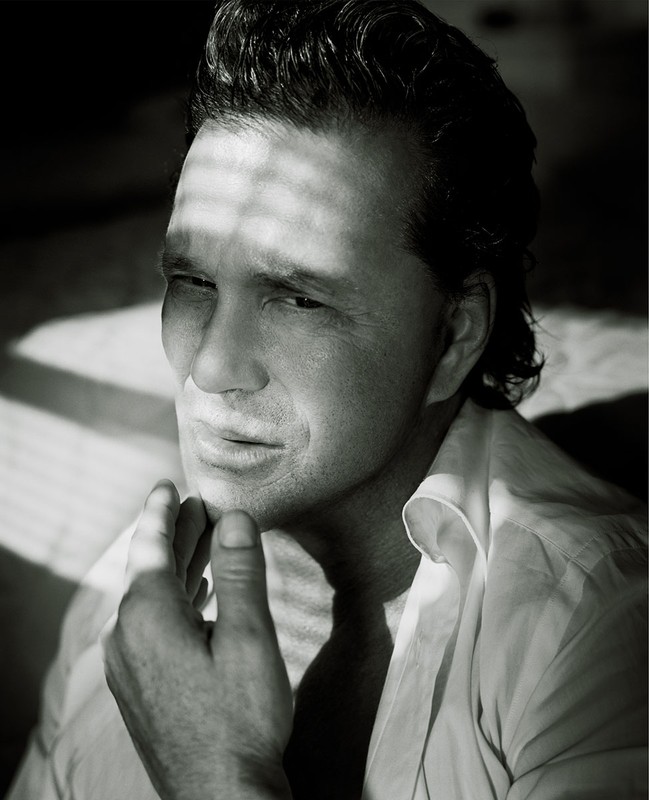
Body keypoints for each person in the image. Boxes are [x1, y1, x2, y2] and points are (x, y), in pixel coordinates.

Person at [8, 1, 647, 798]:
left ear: (453, 335)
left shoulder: (596, 626)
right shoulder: (132, 601)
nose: (211, 365)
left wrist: (214, 774)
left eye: (297, 298)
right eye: (192, 280)